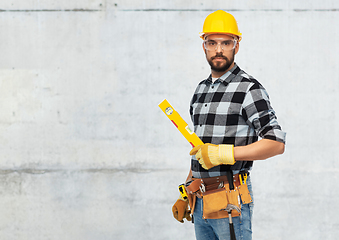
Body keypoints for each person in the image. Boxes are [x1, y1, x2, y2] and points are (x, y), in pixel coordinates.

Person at [172, 10, 286, 240]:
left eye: (226, 43)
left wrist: (225, 153)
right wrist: (187, 191)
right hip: (200, 201)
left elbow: (276, 143)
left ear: (236, 45)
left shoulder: (249, 89)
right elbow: (200, 150)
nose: (219, 49)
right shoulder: (201, 90)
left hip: (230, 201)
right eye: (212, 42)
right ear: (203, 46)